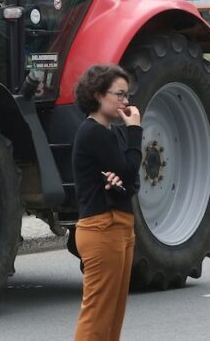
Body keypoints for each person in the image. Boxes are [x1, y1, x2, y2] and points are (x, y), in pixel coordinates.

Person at [71, 64, 142, 341]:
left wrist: (120, 182)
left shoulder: (112, 132)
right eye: (120, 95)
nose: (126, 102)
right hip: (102, 227)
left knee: (113, 317)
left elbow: (131, 181)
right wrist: (135, 129)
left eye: (127, 95)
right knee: (98, 316)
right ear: (99, 95)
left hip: (120, 226)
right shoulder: (93, 132)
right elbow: (131, 168)